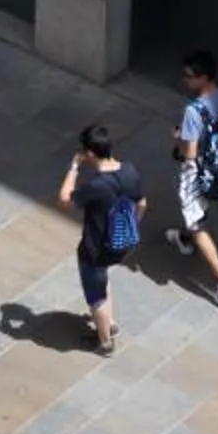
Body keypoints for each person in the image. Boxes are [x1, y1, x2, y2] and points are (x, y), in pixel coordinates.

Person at [165, 49, 218, 310]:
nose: (185, 80)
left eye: (189, 76)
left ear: (203, 77)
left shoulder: (193, 111)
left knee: (196, 222)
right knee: (196, 210)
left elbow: (189, 154)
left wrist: (178, 140)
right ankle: (184, 238)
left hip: (198, 172)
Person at [59, 124, 144, 356]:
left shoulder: (97, 186)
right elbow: (142, 203)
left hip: (95, 249)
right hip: (122, 242)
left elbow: (65, 199)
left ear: (89, 153)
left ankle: (105, 342)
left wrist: (74, 167)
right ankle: (109, 322)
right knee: (102, 278)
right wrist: (133, 226)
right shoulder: (130, 170)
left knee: (95, 295)